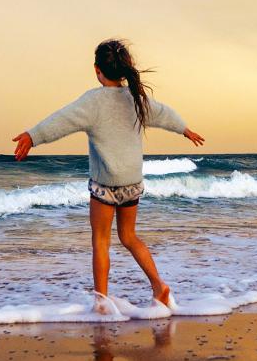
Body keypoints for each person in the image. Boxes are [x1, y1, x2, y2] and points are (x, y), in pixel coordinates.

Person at [13, 38, 204, 314]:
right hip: (132, 184)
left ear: (96, 70)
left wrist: (34, 136)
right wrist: (184, 129)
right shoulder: (136, 99)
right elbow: (164, 113)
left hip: (105, 186)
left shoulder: (93, 102)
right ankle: (159, 287)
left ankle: (102, 302)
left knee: (101, 241)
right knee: (129, 237)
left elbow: (62, 120)